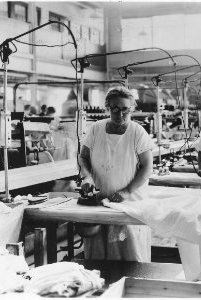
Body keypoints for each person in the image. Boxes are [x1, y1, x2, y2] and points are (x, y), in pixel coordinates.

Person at [79, 86, 155, 261]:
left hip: (129, 204)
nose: (120, 114)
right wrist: (87, 176)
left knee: (129, 256)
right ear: (107, 107)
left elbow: (147, 167)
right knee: (99, 257)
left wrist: (127, 191)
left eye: (124, 110)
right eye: (115, 109)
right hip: (101, 201)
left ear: (131, 109)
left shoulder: (137, 132)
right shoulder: (96, 129)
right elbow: (83, 157)